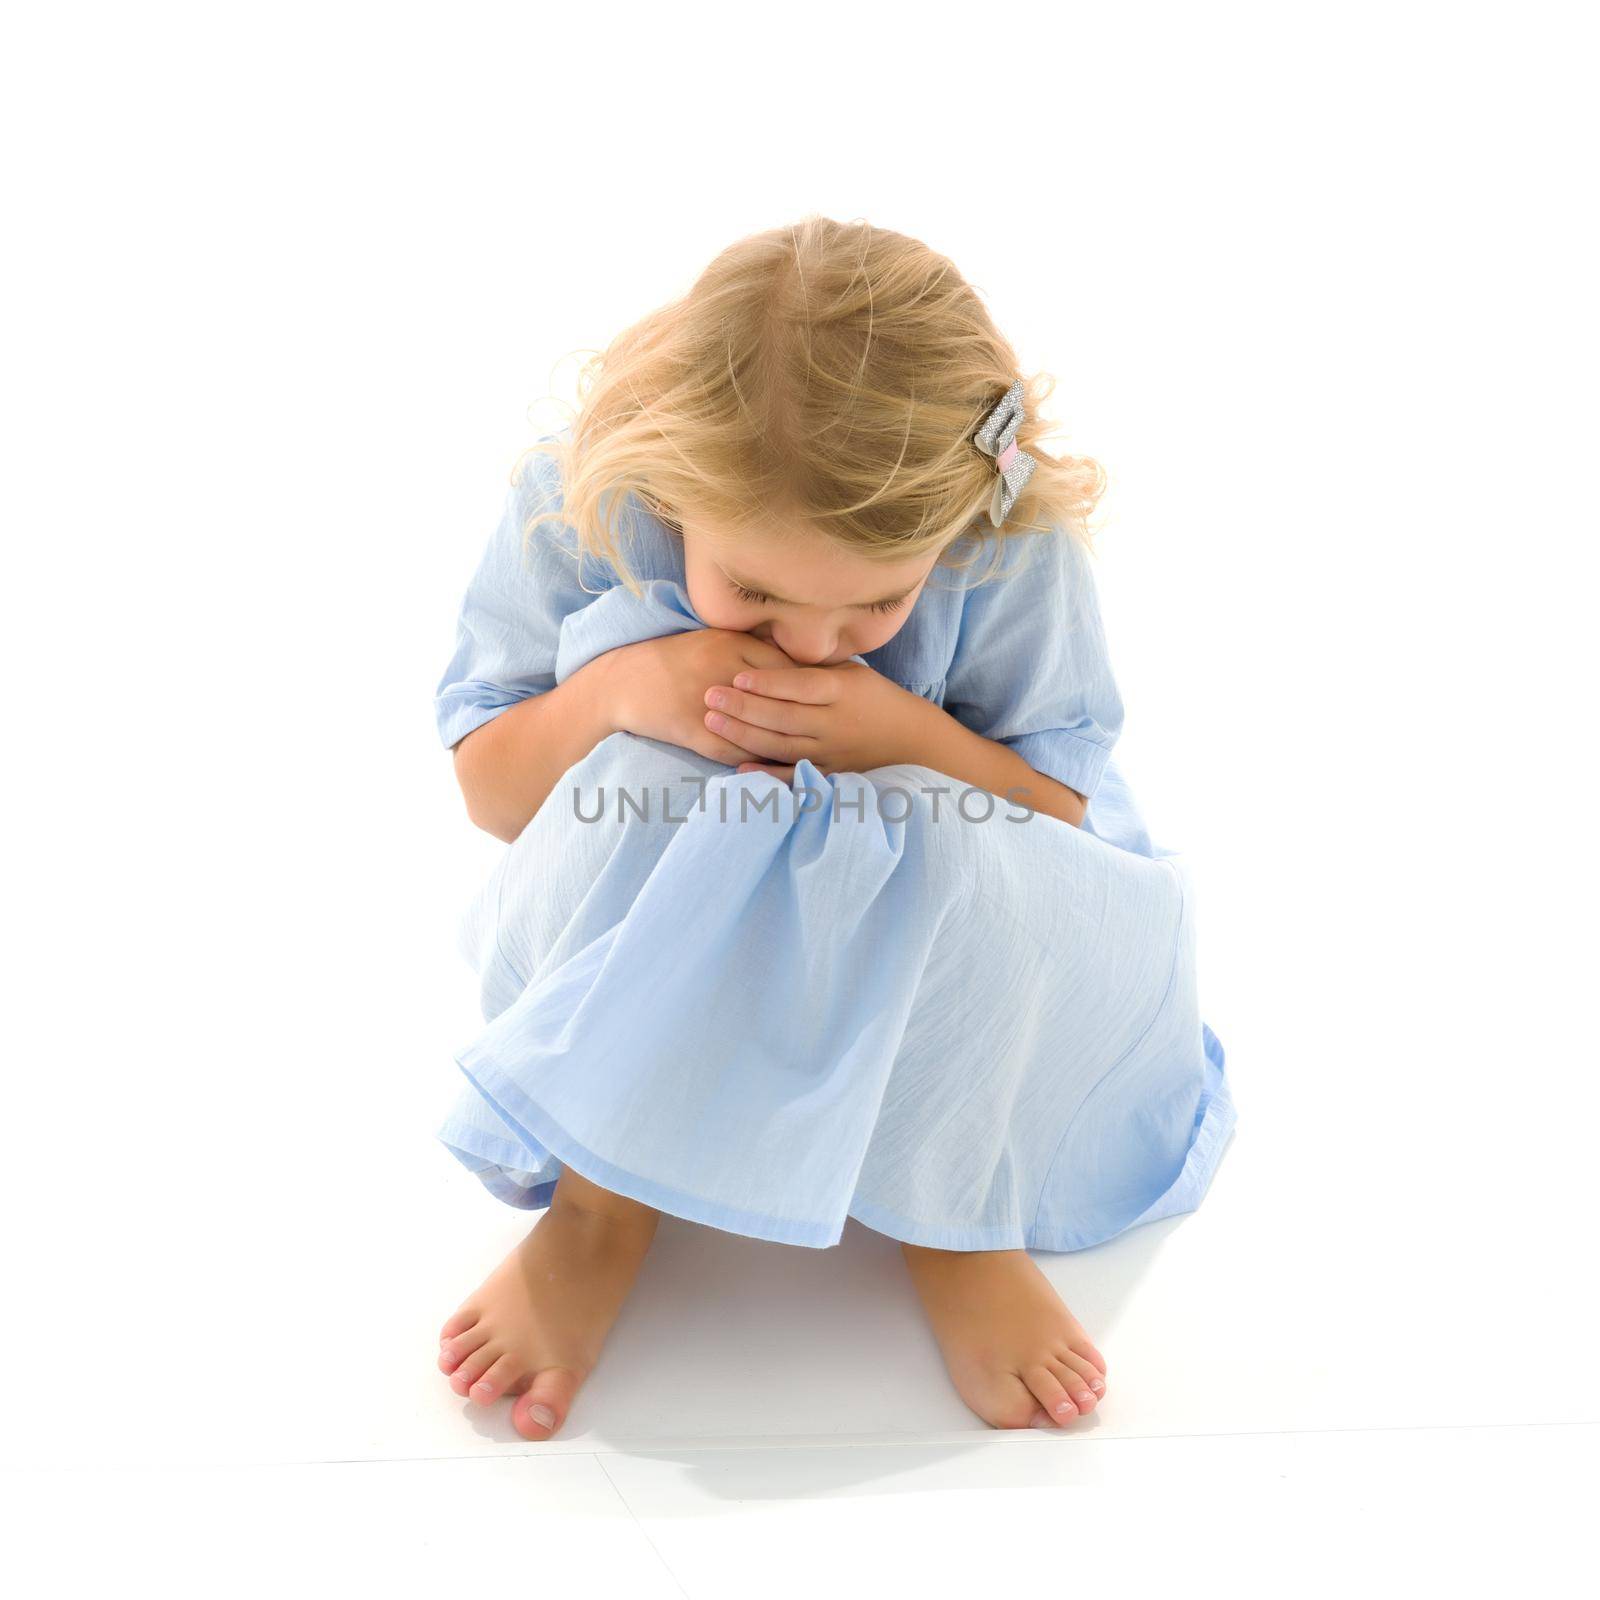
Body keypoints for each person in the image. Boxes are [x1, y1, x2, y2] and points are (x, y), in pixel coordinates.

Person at [431, 217, 1236, 1441]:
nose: (808, 646)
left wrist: (895, 733)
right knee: (660, 775)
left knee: (937, 824)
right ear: (671, 482)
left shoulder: (1000, 535)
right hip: (670, 878)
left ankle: (951, 1207)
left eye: (878, 602)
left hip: (948, 904)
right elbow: (493, 795)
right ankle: (602, 1204)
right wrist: (619, 693)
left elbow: (1055, 816)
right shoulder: (584, 499)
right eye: (754, 592)